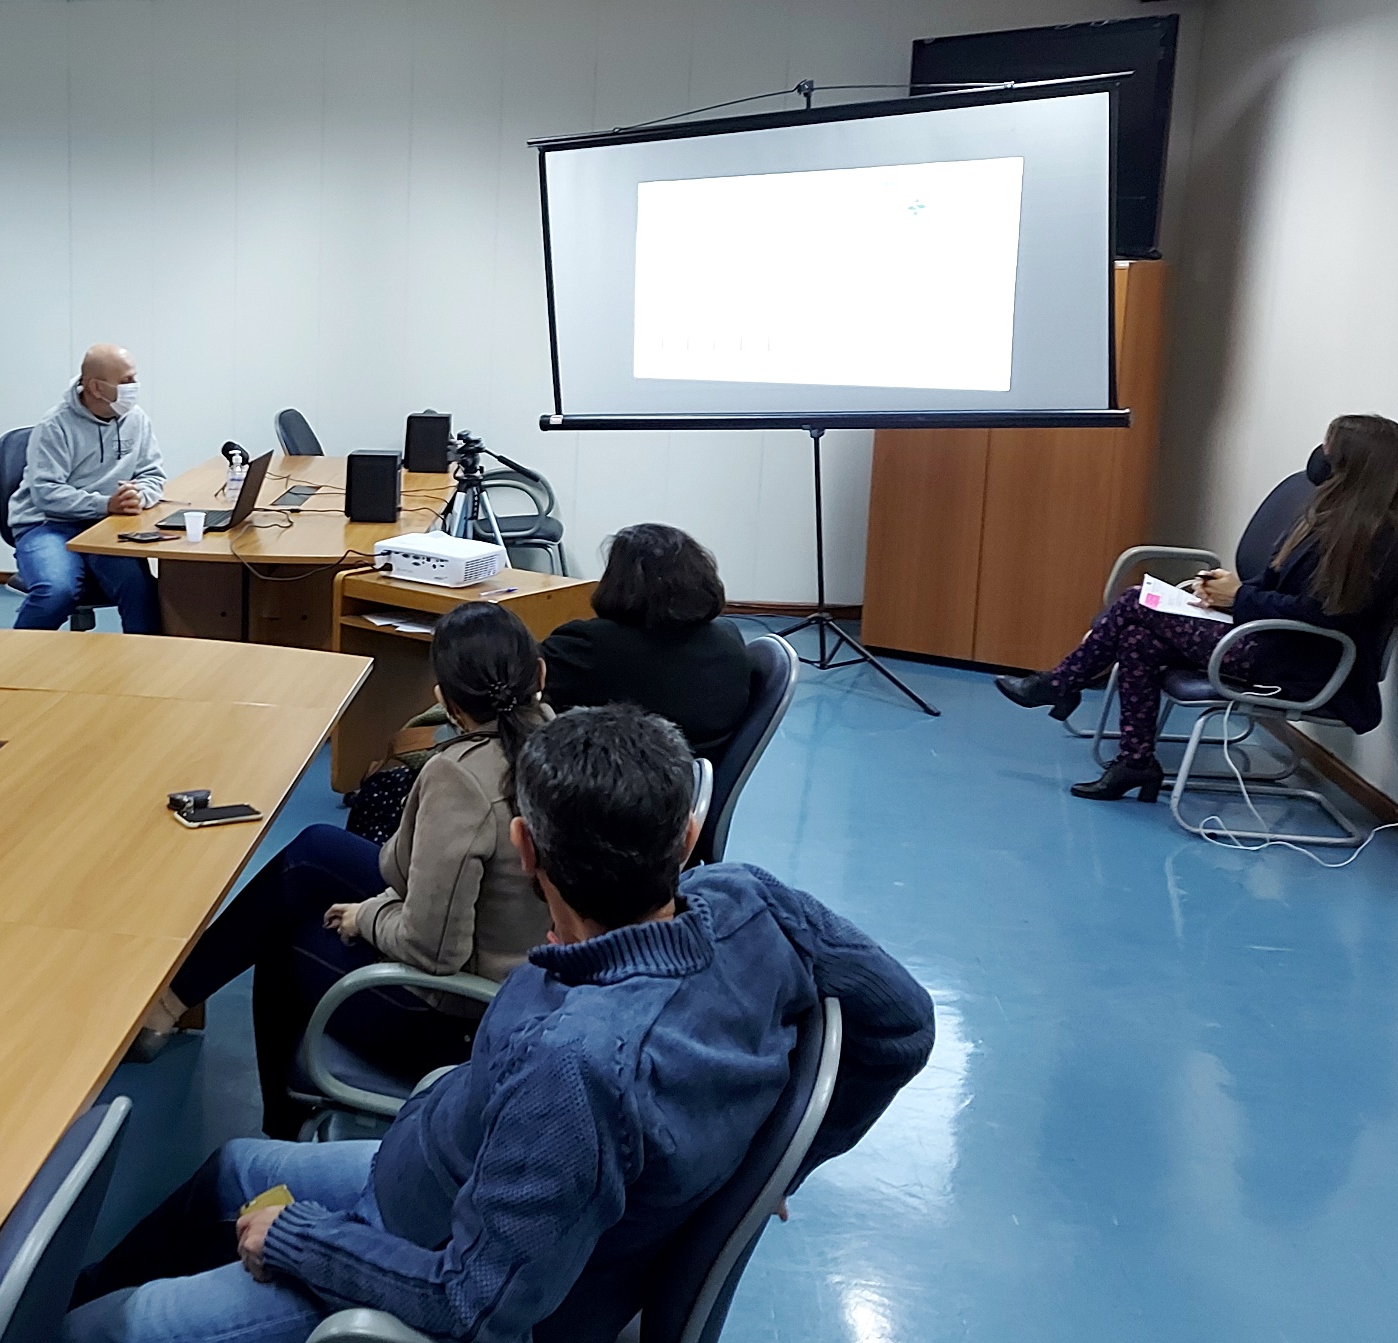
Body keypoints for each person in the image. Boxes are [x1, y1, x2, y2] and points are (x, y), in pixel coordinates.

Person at [67, 706, 935, 1343]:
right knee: (229, 1171)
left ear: (525, 849)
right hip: (442, 1169)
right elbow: (903, 1022)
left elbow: (471, 1303)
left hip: (418, 1254)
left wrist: (301, 1240)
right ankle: (77, 1287)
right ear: (687, 835)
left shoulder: (577, 1068)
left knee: (106, 1329)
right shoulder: (750, 900)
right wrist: (780, 1160)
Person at [137, 602, 553, 1138]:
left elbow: (435, 951)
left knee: (284, 938)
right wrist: (381, 903)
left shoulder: (461, 778)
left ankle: (280, 1133)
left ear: (444, 700)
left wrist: (368, 917)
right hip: (530, 984)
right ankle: (171, 1002)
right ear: (540, 675)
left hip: (462, 1017)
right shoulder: (556, 739)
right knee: (314, 849)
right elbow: (420, 878)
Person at [997, 413, 1398, 802]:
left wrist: (1239, 598)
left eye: (1328, 448)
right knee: (1137, 638)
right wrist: (1224, 591)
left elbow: (1326, 616)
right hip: (1268, 638)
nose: (1320, 455)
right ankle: (1135, 761)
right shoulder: (1329, 516)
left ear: (1349, 463)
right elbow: (1277, 583)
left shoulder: (1382, 539)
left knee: (1134, 602)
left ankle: (1060, 683)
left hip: (1298, 661)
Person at [541, 522, 751, 752]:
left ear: (618, 582)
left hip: (607, 768)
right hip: (699, 768)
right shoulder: (729, 640)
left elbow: (523, 676)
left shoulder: (587, 645)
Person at [7, 344, 167, 634]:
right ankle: (14, 658)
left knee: (140, 590)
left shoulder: (137, 419)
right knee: (56, 592)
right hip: (47, 525)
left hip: (106, 526)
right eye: (127, 380)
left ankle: (146, 661)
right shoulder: (55, 425)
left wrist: (138, 496)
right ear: (96, 388)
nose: (135, 386)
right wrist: (105, 504)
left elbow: (152, 474)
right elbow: (45, 493)